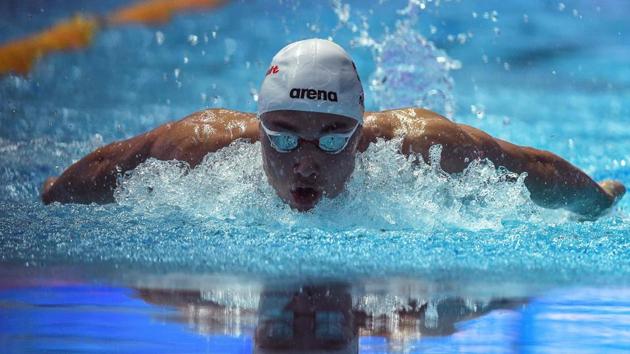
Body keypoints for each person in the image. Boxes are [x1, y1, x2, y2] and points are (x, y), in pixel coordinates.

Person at [41, 38, 625, 218]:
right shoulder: (204, 146)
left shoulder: (417, 146)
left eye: (334, 137)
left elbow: (526, 168)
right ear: (259, 124)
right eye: (285, 134)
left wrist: (597, 201)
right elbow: (101, 168)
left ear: (362, 128)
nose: (305, 160)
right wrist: (45, 203)